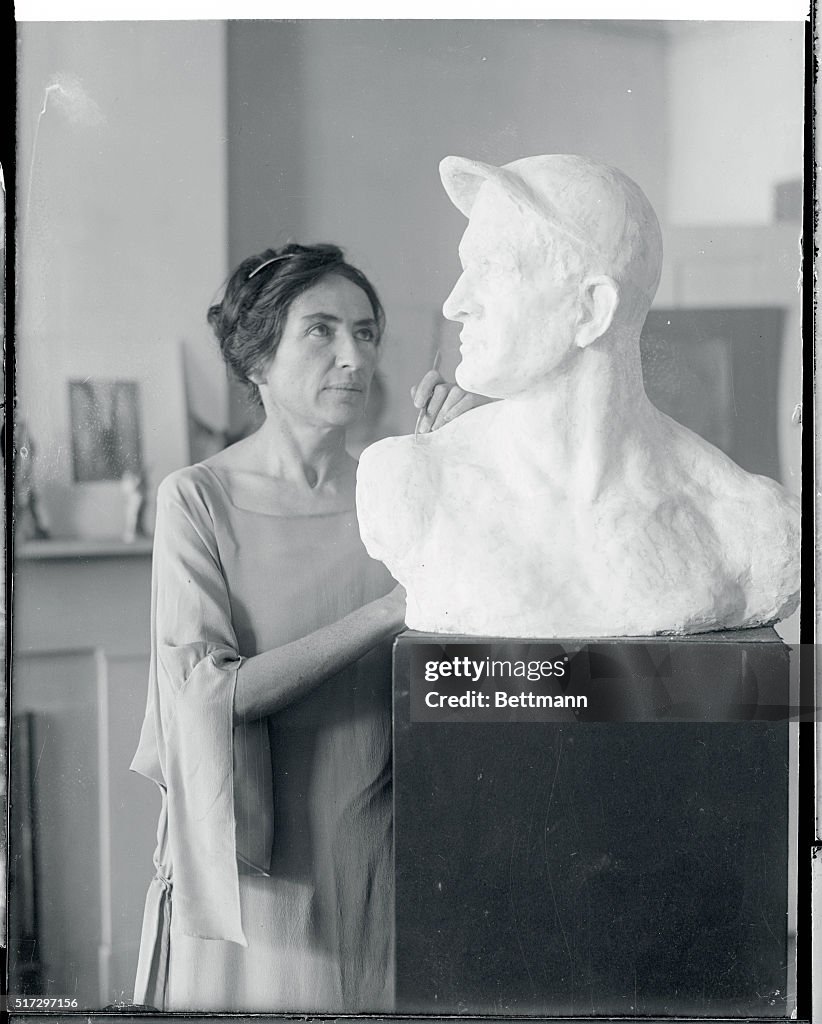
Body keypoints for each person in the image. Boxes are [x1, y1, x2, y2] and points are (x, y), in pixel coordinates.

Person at [130, 242, 461, 1013]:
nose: (353, 355)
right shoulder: (197, 499)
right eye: (322, 331)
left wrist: (455, 465)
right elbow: (212, 695)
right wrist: (387, 611)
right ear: (257, 361)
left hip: (385, 851)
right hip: (261, 875)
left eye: (367, 331)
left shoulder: (399, 485)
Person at [356, 154, 800, 638]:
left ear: (592, 309)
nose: (455, 303)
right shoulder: (412, 482)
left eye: (492, 268)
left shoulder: (751, 527)